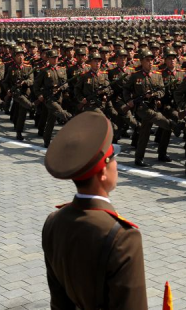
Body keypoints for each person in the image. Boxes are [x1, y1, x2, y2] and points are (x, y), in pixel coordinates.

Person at [42, 112, 148, 309]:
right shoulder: (124, 237)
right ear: (102, 173)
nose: (117, 165)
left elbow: (58, 301)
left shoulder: (53, 221)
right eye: (113, 158)